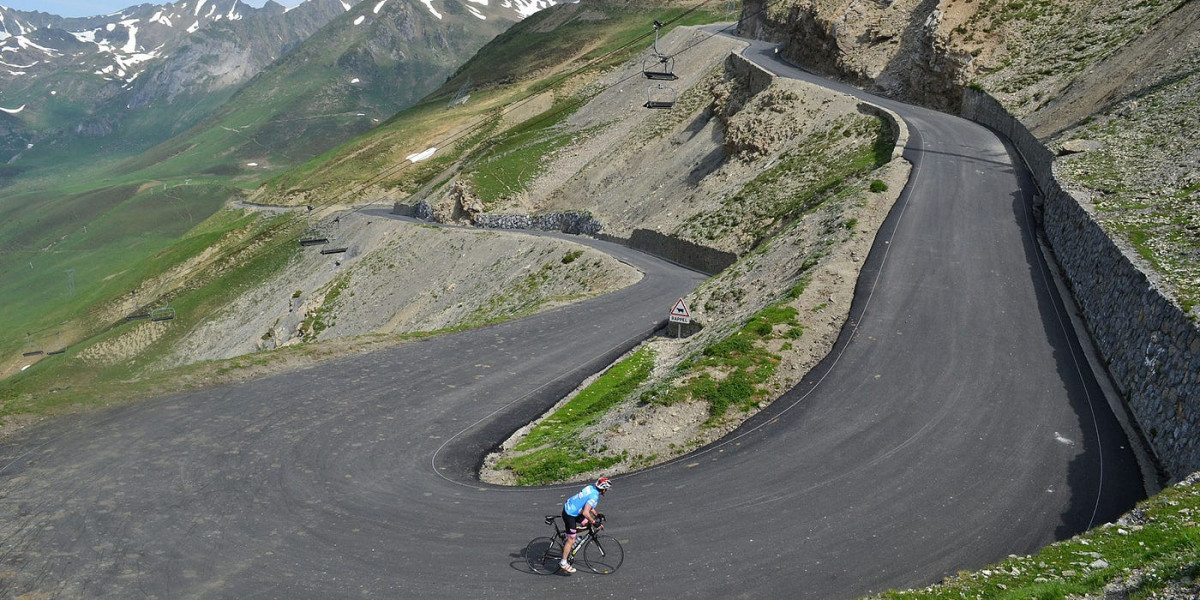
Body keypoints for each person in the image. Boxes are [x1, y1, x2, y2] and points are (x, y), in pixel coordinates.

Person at [559, 477, 611, 573]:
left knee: (587, 524)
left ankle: (569, 536)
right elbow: (586, 513)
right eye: (606, 489)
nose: (606, 491)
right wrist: (594, 522)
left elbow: (588, 506)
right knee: (572, 539)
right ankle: (563, 562)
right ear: (603, 489)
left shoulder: (591, 488)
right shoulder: (594, 496)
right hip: (569, 514)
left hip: (573, 508)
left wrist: (597, 515)